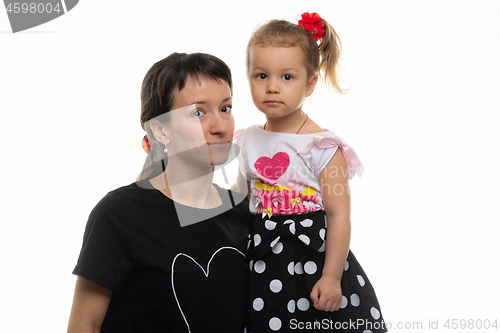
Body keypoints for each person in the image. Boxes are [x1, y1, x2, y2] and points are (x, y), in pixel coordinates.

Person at [68, 53, 251, 333]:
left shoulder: (244, 213)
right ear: (160, 130)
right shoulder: (121, 214)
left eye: (225, 108)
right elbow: (84, 327)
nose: (220, 127)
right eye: (198, 112)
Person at [233, 13, 387, 332]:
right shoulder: (248, 139)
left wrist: (331, 277)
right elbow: (241, 200)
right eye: (261, 76)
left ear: (310, 82)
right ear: (248, 77)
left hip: (313, 258)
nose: (272, 87)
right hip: (263, 256)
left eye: (287, 77)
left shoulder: (322, 145)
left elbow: (339, 214)